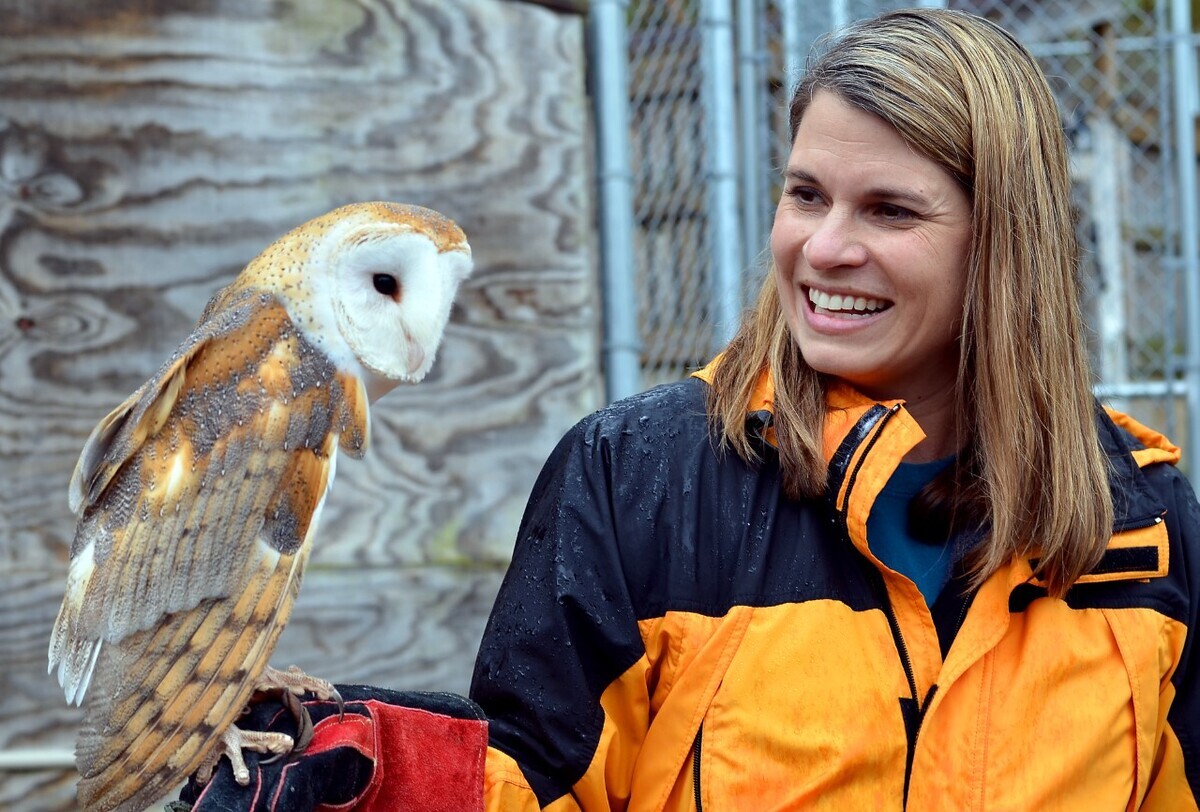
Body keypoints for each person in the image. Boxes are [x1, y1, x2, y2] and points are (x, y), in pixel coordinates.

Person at [177, 7, 1200, 810]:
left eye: (889, 209)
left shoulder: (1142, 525)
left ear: (1003, 243)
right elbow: (545, 780)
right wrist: (392, 787)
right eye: (806, 194)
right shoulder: (641, 476)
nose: (823, 246)